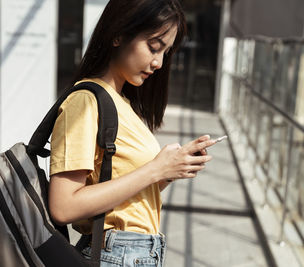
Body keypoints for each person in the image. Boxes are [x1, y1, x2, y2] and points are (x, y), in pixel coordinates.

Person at [48, 0, 217, 266]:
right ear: (119, 34)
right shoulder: (86, 101)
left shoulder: (121, 101)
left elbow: (125, 196)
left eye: (165, 53)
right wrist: (156, 169)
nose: (159, 62)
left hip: (136, 253)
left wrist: (171, 170)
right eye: (154, 47)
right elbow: (63, 207)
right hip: (117, 254)